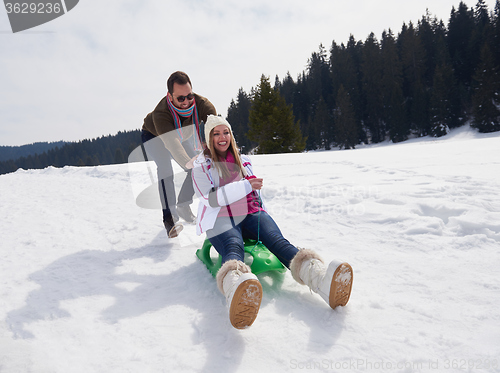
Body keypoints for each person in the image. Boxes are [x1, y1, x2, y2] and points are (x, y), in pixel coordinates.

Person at [191, 115, 353, 329]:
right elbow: (211, 198)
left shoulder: (243, 160)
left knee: (277, 241)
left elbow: (255, 193)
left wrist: (260, 211)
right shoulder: (201, 167)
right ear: (209, 138)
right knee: (233, 246)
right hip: (220, 218)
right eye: (216, 133)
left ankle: (319, 280)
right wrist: (246, 186)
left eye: (226, 132)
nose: (222, 137)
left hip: (250, 213)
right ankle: (235, 290)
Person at [142, 71, 216, 238]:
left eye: (189, 96)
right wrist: (190, 162)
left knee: (197, 169)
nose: (186, 102)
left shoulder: (202, 104)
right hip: (156, 136)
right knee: (166, 171)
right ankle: (170, 218)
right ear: (170, 95)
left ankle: (183, 204)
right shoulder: (161, 114)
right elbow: (173, 145)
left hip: (182, 136)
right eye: (180, 98)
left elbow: (216, 129)